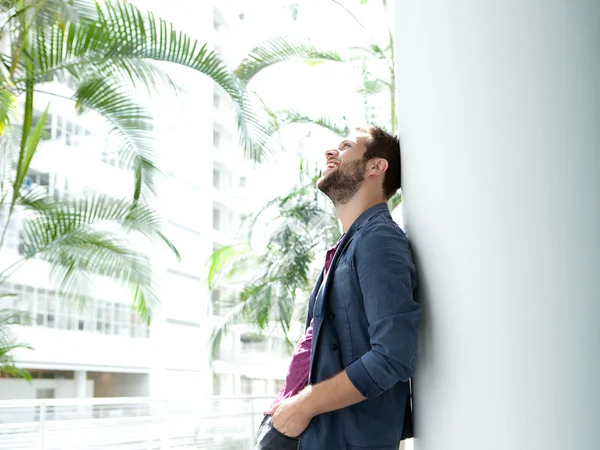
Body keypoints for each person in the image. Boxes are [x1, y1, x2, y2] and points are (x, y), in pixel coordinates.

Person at [255, 125, 421, 450]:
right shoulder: (351, 244)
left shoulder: (379, 239)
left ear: (376, 166)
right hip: (299, 427)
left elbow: (393, 355)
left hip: (325, 431)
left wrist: (301, 408)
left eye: (345, 146)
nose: (331, 152)